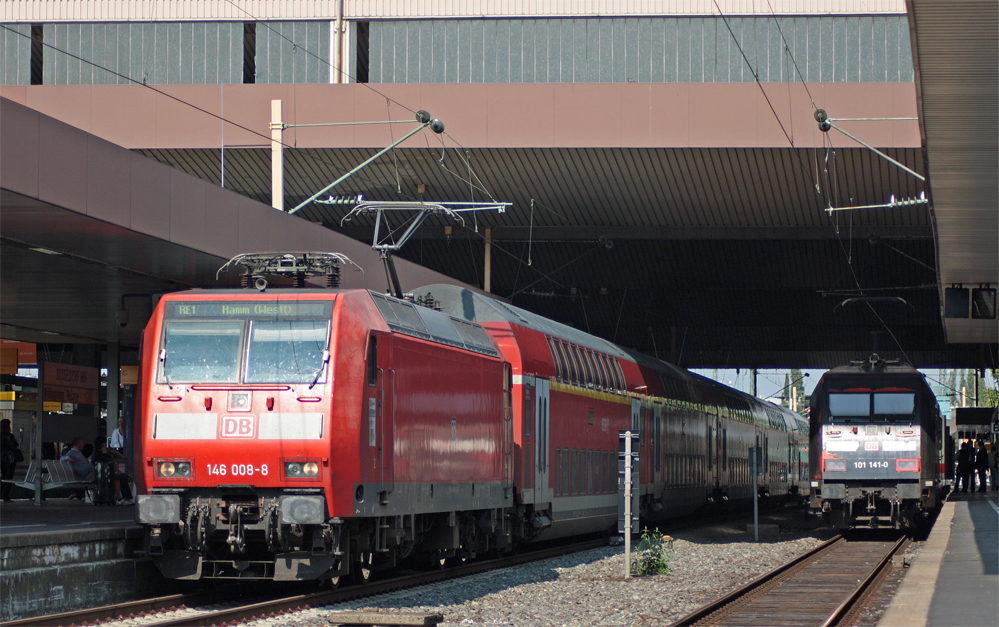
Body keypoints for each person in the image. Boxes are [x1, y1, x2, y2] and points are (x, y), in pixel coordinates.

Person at [90, 437, 132, 504]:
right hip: (103, 474)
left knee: (121, 476)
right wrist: (106, 453)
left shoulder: (96, 451)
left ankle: (124, 498)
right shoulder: (98, 453)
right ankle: (124, 498)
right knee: (120, 477)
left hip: (103, 473)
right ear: (102, 444)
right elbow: (108, 460)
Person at [1, 419, 23, 502]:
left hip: (2, 458)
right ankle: (5, 496)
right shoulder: (10, 436)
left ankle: (2, 493)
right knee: (9, 477)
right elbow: (14, 445)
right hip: (10, 459)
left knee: (3, 476)